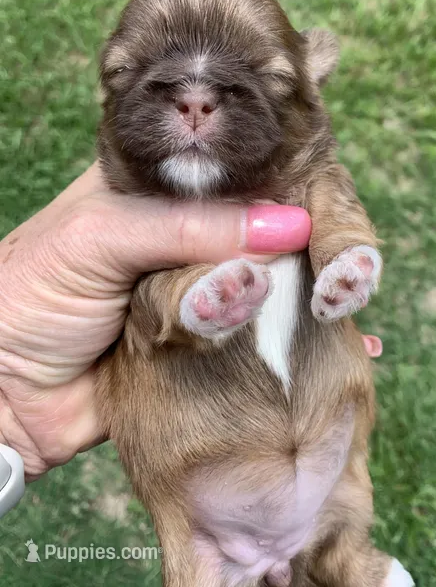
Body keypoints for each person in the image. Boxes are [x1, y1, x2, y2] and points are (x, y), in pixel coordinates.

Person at [0, 164, 382, 481]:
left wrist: (340, 241)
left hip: (300, 429)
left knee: (343, 539)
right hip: (201, 458)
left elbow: (326, 177)